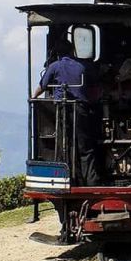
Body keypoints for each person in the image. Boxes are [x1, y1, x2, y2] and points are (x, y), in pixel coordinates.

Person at [33, 38, 102, 186]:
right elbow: (94, 88)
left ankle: (70, 180)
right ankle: (91, 182)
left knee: (66, 145)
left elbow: (42, 85)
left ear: (57, 53)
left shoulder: (54, 66)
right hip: (81, 109)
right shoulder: (82, 66)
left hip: (62, 110)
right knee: (85, 147)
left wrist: (32, 98)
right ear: (72, 51)